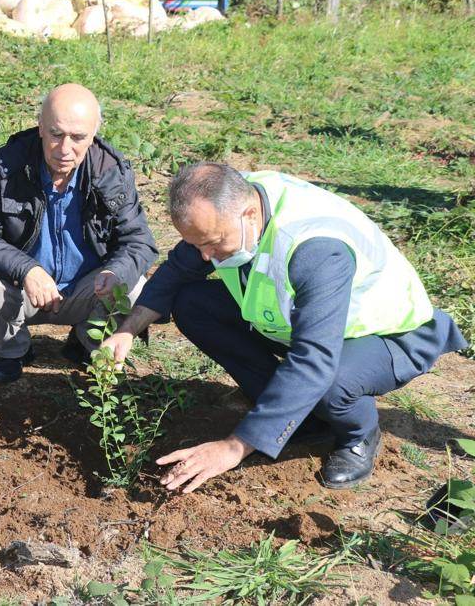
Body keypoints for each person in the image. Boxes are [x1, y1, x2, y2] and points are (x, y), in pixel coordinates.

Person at [101, 162, 468, 491]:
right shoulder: (232, 206)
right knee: (193, 303)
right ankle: (299, 422)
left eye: (212, 243)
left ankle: (358, 434)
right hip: (301, 320)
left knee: (331, 384)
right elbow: (179, 270)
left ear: (248, 214)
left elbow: (314, 360)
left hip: (387, 333)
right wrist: (126, 330)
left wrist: (235, 446)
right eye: (197, 243)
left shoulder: (315, 249)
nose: (205, 257)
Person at [0, 83, 157, 384]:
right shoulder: (4, 166)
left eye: (78, 138)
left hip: (87, 291)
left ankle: (90, 343)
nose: (65, 149)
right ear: (40, 127)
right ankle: (14, 349)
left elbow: (139, 242)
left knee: (133, 285)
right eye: (56, 134)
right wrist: (26, 268)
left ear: (93, 135)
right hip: (22, 290)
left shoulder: (111, 171)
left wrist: (115, 272)